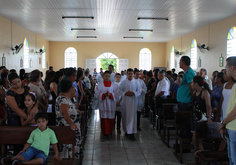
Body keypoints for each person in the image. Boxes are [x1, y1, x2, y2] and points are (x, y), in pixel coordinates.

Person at [55, 79, 83, 159]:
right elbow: (64, 112)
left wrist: (77, 112)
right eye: (74, 87)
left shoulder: (66, 98)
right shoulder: (62, 99)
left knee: (72, 152)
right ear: (70, 88)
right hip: (67, 130)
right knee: (67, 153)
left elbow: (69, 111)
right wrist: (71, 123)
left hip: (70, 130)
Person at [219, 57, 236, 165]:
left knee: (234, 160)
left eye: (226, 67)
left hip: (234, 127)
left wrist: (223, 122)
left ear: (232, 68)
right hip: (230, 125)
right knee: (231, 158)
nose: (225, 70)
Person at [94, 71, 119, 140]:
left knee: (111, 118)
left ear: (110, 77)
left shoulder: (114, 85)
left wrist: (110, 95)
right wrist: (103, 95)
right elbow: (96, 94)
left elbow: (117, 94)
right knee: (104, 118)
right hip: (103, 104)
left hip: (111, 104)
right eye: (106, 76)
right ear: (103, 77)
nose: (107, 77)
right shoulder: (100, 85)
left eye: (108, 76)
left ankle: (110, 131)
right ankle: (104, 133)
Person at [191, 76, 212, 153]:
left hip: (202, 119)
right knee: (195, 140)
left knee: (197, 139)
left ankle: (202, 157)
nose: (192, 84)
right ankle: (199, 158)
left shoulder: (205, 92)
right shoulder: (194, 93)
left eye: (193, 82)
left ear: (196, 84)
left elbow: (208, 106)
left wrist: (209, 117)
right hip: (194, 118)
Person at [119, 68, 141, 141]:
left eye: (132, 73)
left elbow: (139, 91)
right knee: (125, 116)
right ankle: (126, 131)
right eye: (129, 73)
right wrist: (125, 93)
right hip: (125, 102)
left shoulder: (136, 82)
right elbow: (119, 91)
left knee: (132, 117)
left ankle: (132, 133)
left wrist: (134, 93)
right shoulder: (123, 82)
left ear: (133, 74)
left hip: (133, 102)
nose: (130, 75)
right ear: (127, 74)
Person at [177, 56, 196, 136]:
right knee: (182, 123)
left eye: (180, 61)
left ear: (183, 62)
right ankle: (183, 142)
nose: (179, 63)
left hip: (186, 101)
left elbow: (192, 87)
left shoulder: (189, 73)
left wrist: (193, 99)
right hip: (183, 100)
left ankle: (185, 143)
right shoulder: (187, 72)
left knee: (184, 124)